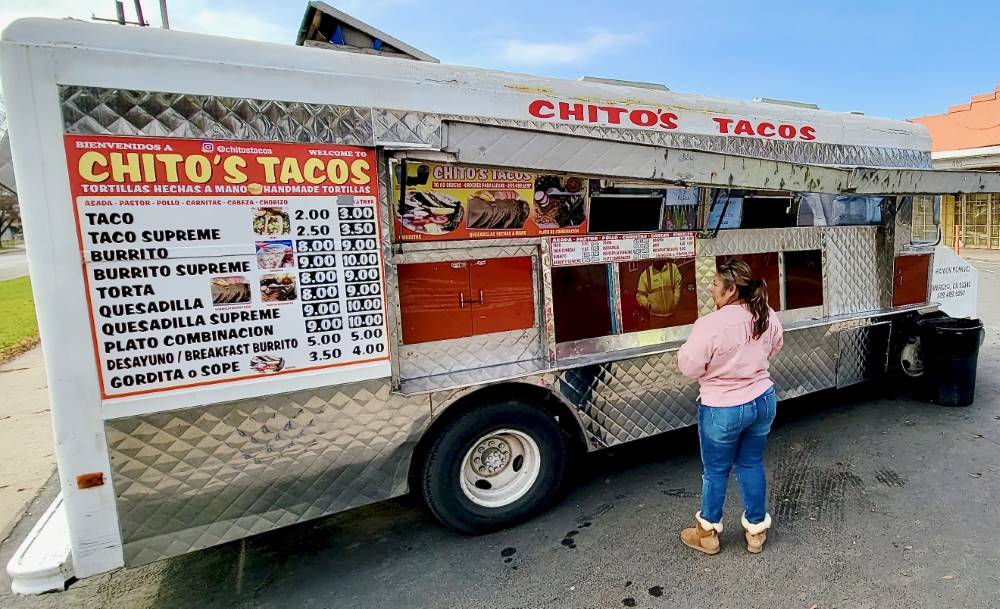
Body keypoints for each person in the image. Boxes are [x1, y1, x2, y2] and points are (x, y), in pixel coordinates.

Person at [676, 260, 784, 555]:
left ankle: (708, 533)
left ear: (731, 289)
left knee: (715, 471)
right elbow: (775, 347)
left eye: (714, 283)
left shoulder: (711, 324)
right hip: (762, 401)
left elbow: (689, 366)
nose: (710, 288)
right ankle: (756, 532)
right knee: (750, 463)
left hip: (722, 408)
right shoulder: (767, 314)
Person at [636, 259, 682, 328]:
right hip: (655, 318)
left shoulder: (672, 268)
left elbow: (678, 285)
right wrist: (649, 305)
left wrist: (675, 301)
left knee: (673, 337)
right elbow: (640, 294)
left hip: (672, 315)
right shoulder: (646, 274)